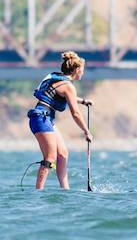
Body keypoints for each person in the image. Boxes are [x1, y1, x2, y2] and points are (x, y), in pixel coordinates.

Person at [27, 51, 93, 189]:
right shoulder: (68, 86)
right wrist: (86, 131)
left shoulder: (59, 80)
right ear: (77, 70)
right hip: (41, 117)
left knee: (62, 154)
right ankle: (38, 192)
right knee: (50, 158)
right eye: (83, 70)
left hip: (45, 118)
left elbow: (65, 96)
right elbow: (75, 113)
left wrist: (83, 101)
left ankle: (65, 190)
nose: (83, 73)